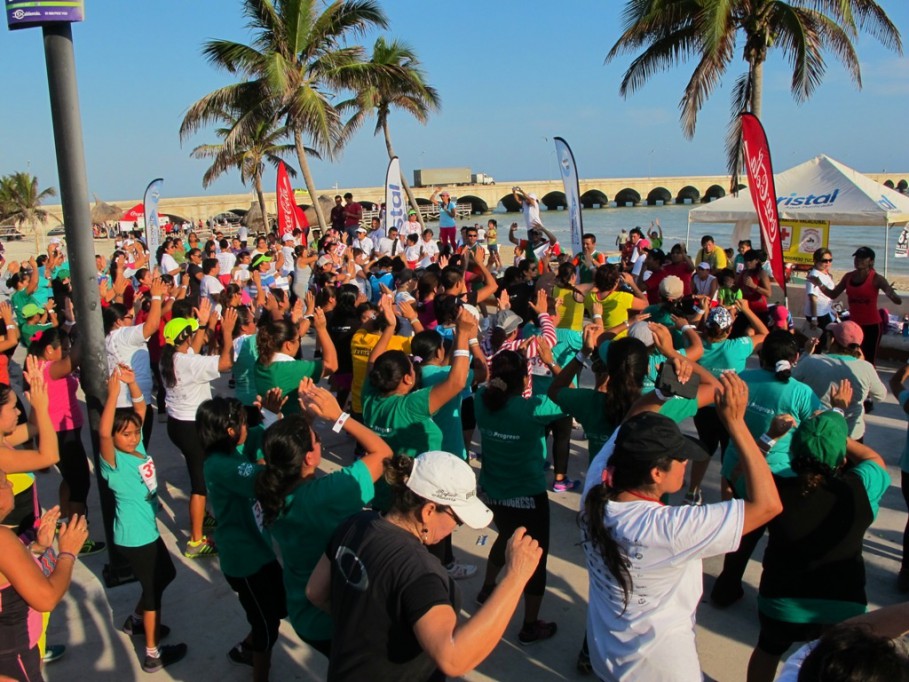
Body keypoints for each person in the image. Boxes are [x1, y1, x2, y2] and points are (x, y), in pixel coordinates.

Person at [581, 373, 783, 682]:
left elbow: (635, 418)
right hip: (661, 670)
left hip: (608, 655)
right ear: (656, 473)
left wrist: (662, 393)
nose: (687, 464)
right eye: (680, 459)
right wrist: (737, 424)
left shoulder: (599, 482)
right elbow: (768, 505)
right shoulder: (666, 529)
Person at [305, 450, 544, 681]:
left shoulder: (355, 523)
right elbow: (453, 659)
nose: (455, 529)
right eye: (457, 520)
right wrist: (515, 577)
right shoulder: (420, 571)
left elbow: (315, 592)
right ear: (429, 510)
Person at [746, 403, 889, 682]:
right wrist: (835, 431)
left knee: (768, 649)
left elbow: (743, 472)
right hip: (843, 603)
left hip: (781, 602)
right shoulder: (861, 486)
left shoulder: (772, 488)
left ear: (795, 450)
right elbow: (874, 459)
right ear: (842, 456)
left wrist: (770, 437)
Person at [255, 378, 391, 657]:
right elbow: (383, 453)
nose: (319, 439)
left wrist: (308, 419)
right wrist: (338, 416)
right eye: (316, 440)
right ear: (308, 458)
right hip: (336, 617)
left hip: (304, 613)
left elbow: (285, 447)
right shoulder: (330, 493)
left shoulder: (268, 485)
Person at [712, 331, 823, 607]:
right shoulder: (800, 392)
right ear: (795, 359)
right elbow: (817, 430)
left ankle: (726, 588)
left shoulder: (742, 381)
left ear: (760, 356)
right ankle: (774, 598)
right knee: (781, 540)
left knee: (742, 534)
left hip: (736, 469)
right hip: (781, 476)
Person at [99, 365, 187, 673]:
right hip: (135, 536)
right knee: (153, 592)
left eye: (135, 432)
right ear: (114, 437)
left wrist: (133, 383)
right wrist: (112, 396)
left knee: (166, 575)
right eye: (125, 433)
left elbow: (139, 409)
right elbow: (103, 432)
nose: (133, 436)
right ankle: (152, 654)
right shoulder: (113, 461)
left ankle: (136, 622)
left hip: (147, 530)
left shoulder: (135, 448)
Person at [473, 349, 565, 643]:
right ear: (525, 379)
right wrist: (551, 361)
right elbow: (569, 395)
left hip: (492, 492)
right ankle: (529, 623)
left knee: (506, 537)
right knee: (534, 557)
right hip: (528, 496)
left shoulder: (480, 402)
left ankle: (487, 587)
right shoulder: (533, 409)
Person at [198, 392, 286, 680]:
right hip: (245, 561)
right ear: (229, 431)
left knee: (276, 607)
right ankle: (259, 671)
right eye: (243, 423)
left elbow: (257, 436)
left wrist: (271, 418)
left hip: (258, 551)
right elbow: (264, 478)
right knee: (267, 626)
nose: (248, 427)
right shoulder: (221, 466)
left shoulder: (228, 452)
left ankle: (245, 647)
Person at [162, 305, 237, 557]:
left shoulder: (171, 358)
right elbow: (226, 363)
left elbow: (192, 348)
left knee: (196, 469)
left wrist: (203, 324)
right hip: (192, 427)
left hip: (177, 424)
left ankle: (202, 516)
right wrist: (226, 332)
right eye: (192, 333)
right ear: (184, 338)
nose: (198, 336)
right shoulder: (189, 363)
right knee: (199, 484)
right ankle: (196, 541)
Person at [0, 471, 87, 681]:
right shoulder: (2, 539)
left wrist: (36, 549)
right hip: (14, 658)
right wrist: (68, 552)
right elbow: (46, 599)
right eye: (2, 481)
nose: (10, 483)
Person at [27, 327, 105, 554]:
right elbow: (75, 359)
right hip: (61, 432)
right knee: (81, 482)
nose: (67, 351)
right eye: (64, 348)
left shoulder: (47, 367)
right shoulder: (49, 368)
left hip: (66, 430)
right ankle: (77, 534)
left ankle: (64, 519)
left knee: (70, 479)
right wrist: (83, 332)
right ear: (49, 350)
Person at [685, 301, 768, 505]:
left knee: (704, 447)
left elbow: (690, 329)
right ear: (730, 329)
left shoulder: (696, 346)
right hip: (730, 406)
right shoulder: (736, 347)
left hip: (703, 407)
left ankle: (692, 491)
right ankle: (727, 501)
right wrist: (746, 309)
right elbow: (765, 334)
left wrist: (703, 312)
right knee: (729, 454)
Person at [807, 246, 902, 366]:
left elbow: (898, 301)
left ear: (871, 261)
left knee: (869, 360)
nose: (858, 260)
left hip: (872, 326)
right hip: (854, 326)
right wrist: (820, 284)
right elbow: (833, 294)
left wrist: (891, 294)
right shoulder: (848, 277)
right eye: (856, 257)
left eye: (863, 258)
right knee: (851, 359)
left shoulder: (877, 279)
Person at [793, 321, 886, 441]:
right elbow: (880, 396)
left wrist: (806, 353)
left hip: (816, 432)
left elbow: (792, 382)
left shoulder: (811, 361)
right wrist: (864, 366)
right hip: (851, 436)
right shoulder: (866, 367)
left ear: (832, 340)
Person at [103, 277, 166, 448]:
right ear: (118, 322)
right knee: (137, 449)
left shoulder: (112, 336)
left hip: (125, 402)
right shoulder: (124, 335)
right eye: (129, 316)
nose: (133, 316)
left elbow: (121, 313)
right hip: (132, 404)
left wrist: (118, 296)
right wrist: (156, 297)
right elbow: (152, 326)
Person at [804, 248, 836, 331]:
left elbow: (827, 296)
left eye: (830, 260)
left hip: (826, 311)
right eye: (824, 261)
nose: (828, 263)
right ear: (815, 261)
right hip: (819, 314)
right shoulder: (814, 276)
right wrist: (814, 319)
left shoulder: (825, 273)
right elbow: (812, 298)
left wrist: (832, 310)